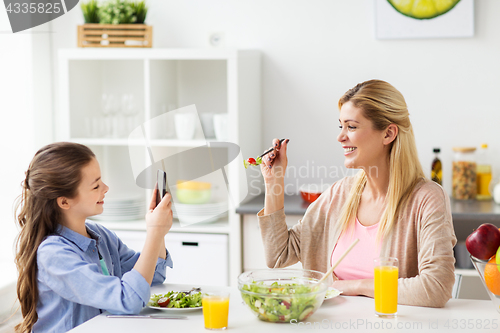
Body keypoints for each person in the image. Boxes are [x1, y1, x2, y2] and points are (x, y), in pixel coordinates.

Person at [258, 79, 457, 307]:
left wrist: (352, 286)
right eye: (340, 126)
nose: (341, 137)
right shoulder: (340, 194)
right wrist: (274, 181)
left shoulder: (426, 199)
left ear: (388, 134)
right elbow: (278, 255)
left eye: (351, 127)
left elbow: (436, 288)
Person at [14, 142, 173, 333]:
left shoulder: (101, 236)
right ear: (64, 201)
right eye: (96, 185)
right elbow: (129, 300)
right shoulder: (54, 254)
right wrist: (155, 231)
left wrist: (159, 230)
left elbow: (153, 275)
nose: (106, 188)